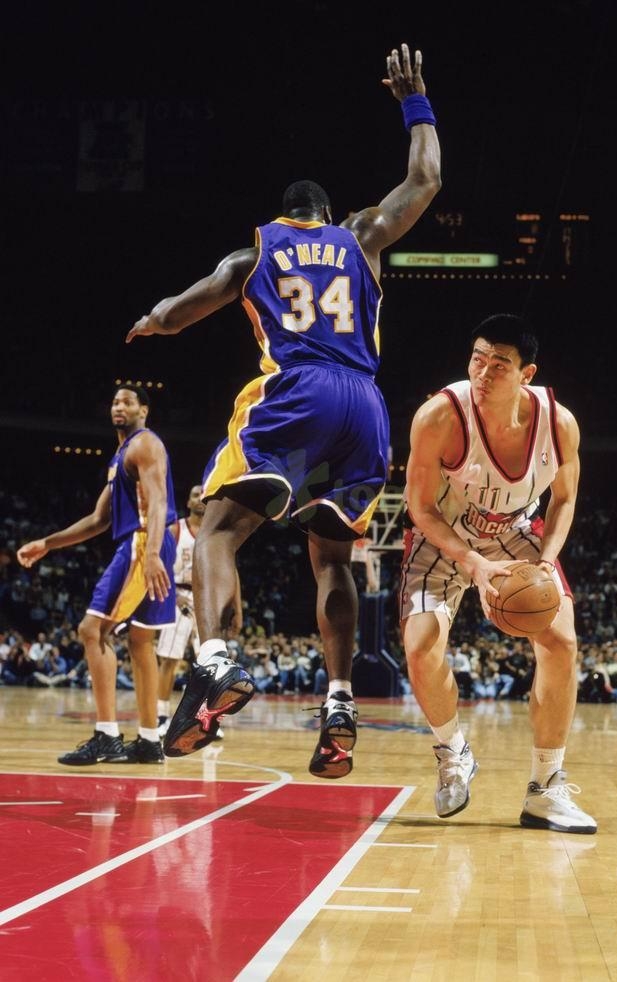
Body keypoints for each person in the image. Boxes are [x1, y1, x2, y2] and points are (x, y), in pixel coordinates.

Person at [125, 42, 441, 775]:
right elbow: (426, 177)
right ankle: (339, 701)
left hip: (298, 396)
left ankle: (214, 661)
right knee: (332, 558)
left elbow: (174, 314)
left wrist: (147, 322)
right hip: (364, 411)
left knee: (216, 529)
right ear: (327, 214)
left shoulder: (253, 256)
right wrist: (414, 101)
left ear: (283, 216)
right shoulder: (360, 236)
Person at [400, 313, 596, 833]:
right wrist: (474, 562)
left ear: (526, 373)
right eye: (477, 359)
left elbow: (564, 499)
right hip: (444, 532)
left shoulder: (559, 424)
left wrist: (545, 560)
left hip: (514, 529)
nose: (483, 373)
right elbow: (420, 508)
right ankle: (453, 752)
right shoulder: (439, 416)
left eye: (499, 364)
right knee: (419, 645)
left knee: (562, 641)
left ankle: (545, 788)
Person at [16, 385, 177, 764]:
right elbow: (98, 519)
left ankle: (106, 735)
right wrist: (47, 543)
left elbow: (158, 502)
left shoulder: (144, 444)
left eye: (128, 402)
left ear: (144, 410)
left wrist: (153, 552)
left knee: (92, 630)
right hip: (147, 544)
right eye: (115, 402)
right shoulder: (121, 456)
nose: (119, 407)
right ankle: (149, 740)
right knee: (140, 642)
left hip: (144, 543)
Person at [155, 484, 242, 738]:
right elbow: (160, 566)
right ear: (188, 502)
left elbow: (232, 572)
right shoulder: (175, 529)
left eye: (203, 494)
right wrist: (172, 596)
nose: (200, 498)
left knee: (211, 665)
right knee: (169, 660)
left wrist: (237, 607)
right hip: (177, 599)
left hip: (208, 599)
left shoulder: (218, 534)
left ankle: (208, 719)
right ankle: (161, 717)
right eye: (195, 494)